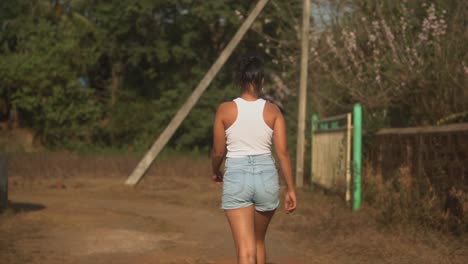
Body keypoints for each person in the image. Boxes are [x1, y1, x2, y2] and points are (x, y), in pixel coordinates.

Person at [211, 54, 297, 264]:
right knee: (258, 242)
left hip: (237, 176)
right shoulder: (273, 111)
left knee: (245, 250)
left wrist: (215, 170)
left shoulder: (225, 110)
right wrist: (291, 189)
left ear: (239, 80)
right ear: (262, 81)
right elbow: (283, 152)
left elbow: (218, 151)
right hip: (267, 178)